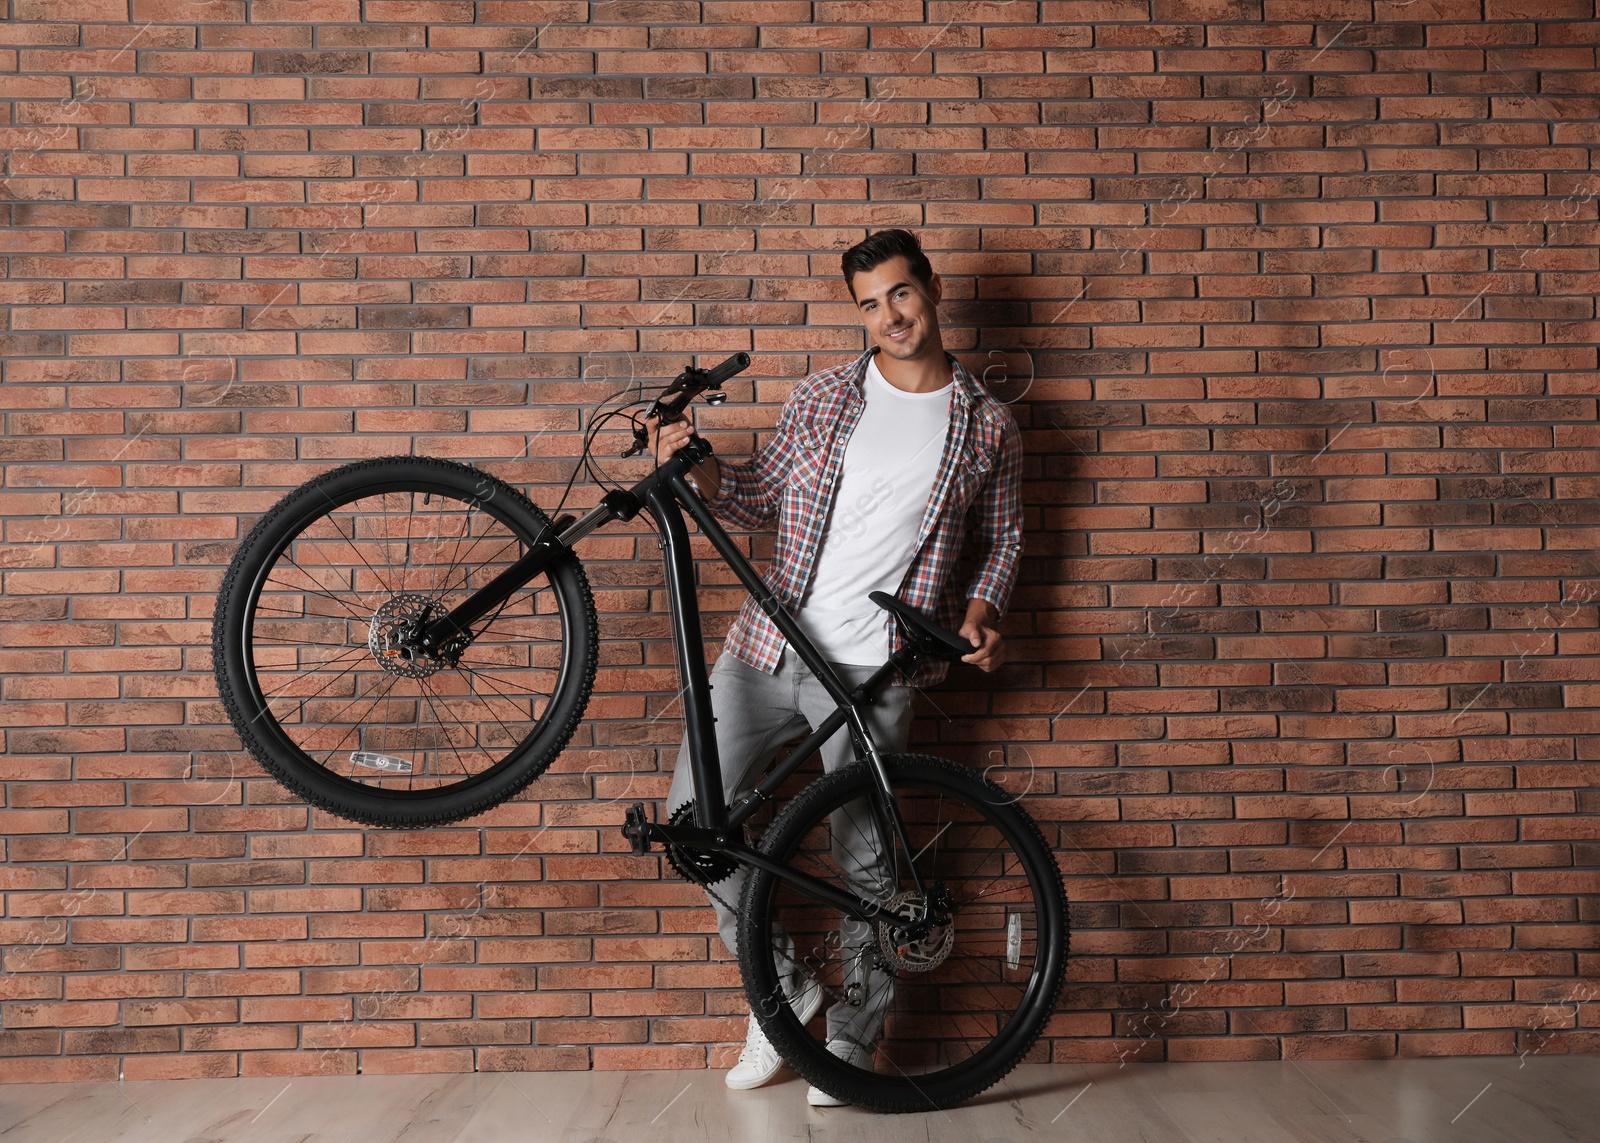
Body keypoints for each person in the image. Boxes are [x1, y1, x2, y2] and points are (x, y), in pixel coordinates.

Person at [644, 228, 1024, 1107]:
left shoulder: (987, 423)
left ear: (929, 289)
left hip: (874, 669)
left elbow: (1004, 537)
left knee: (866, 863)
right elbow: (758, 495)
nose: (889, 315)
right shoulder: (822, 397)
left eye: (900, 293)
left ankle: (851, 1039)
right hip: (765, 647)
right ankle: (783, 998)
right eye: (869, 303)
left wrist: (981, 611)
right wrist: (696, 471)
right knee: (694, 821)